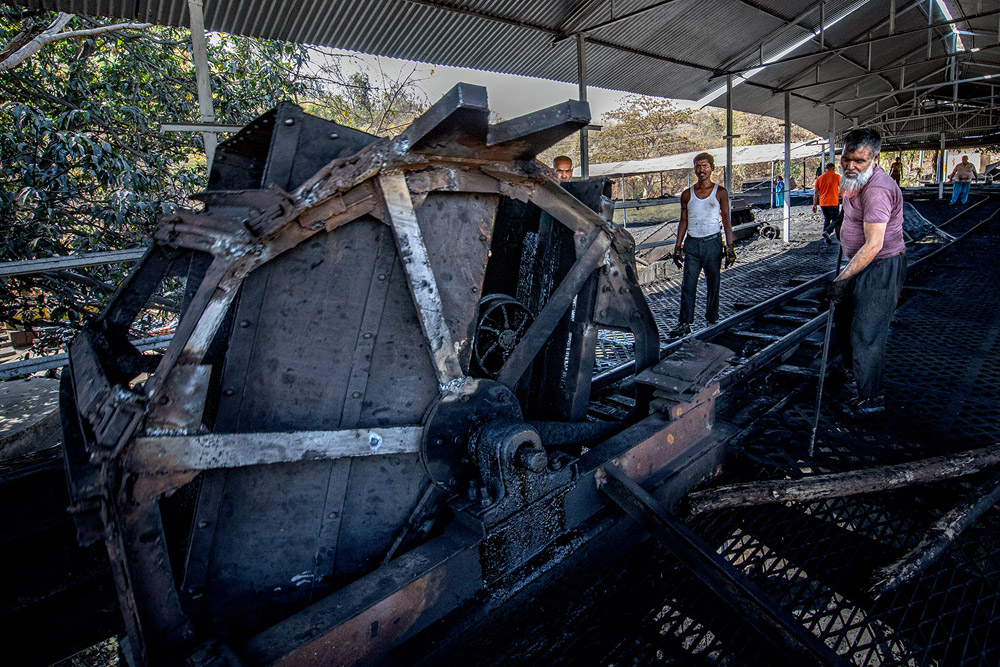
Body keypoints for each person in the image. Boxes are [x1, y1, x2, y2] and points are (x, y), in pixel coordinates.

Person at [821, 129, 906, 416]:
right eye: (846, 159)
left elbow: (874, 244)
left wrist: (840, 281)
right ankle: (852, 375)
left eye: (858, 161)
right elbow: (851, 209)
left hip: (881, 265)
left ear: (874, 158)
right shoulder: (853, 179)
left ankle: (871, 397)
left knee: (865, 332)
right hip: (857, 262)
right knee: (844, 324)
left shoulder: (878, 189)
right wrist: (842, 223)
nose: (850, 166)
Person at [670, 153, 737, 337]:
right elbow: (683, 220)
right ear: (694, 169)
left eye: (705, 166)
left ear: (712, 168)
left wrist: (729, 246)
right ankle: (684, 322)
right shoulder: (687, 194)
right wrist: (678, 246)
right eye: (698, 166)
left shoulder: (720, 192)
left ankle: (712, 317)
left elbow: (726, 219)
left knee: (713, 282)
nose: (701, 170)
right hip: (692, 244)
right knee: (688, 285)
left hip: (712, 243)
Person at [812, 162, 841, 244]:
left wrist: (814, 205)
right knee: (836, 219)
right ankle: (827, 232)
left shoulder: (819, 179)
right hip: (833, 202)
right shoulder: (837, 177)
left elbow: (815, 193)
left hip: (823, 202)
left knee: (827, 219)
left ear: (825, 168)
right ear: (833, 168)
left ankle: (826, 238)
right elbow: (842, 189)